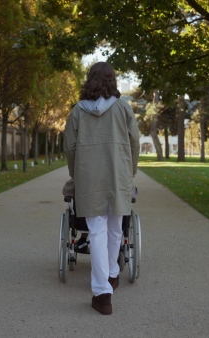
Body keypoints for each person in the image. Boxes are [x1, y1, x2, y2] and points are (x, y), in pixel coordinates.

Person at [64, 62, 140, 315]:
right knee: (115, 228)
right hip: (117, 175)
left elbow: (70, 148)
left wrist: (76, 174)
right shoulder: (123, 109)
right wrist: (130, 172)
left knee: (96, 231)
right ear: (112, 81)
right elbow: (135, 142)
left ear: (89, 80)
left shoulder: (77, 112)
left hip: (89, 176)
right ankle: (112, 274)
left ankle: (102, 292)